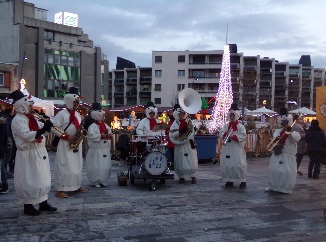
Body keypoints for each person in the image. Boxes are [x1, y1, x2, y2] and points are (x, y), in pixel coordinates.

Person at [9, 90, 57, 215]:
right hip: (28, 154)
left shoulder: (32, 117)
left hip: (39, 152)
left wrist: (47, 125)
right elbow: (26, 135)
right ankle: (28, 205)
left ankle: (43, 202)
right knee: (29, 179)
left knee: (42, 178)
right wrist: (42, 131)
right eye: (30, 105)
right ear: (22, 105)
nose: (32, 107)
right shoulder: (18, 120)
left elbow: (42, 130)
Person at [53, 87, 88, 198]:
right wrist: (66, 136)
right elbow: (54, 128)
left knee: (76, 165)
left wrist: (81, 133)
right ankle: (60, 189)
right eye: (75, 102)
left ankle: (75, 186)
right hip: (65, 143)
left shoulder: (77, 114)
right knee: (65, 166)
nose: (77, 104)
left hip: (76, 144)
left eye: (77, 102)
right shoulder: (61, 114)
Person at [265, 108, 300, 194]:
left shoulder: (293, 131)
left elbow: (296, 139)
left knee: (287, 172)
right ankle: (273, 186)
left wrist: (290, 132)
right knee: (274, 170)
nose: (284, 124)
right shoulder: (278, 130)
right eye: (283, 123)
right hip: (278, 154)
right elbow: (276, 139)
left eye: (286, 123)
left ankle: (286, 188)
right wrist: (282, 133)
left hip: (288, 155)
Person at [219, 104, 247, 188]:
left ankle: (242, 180)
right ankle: (230, 179)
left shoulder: (240, 126)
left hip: (236, 147)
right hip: (228, 147)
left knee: (239, 164)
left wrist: (233, 136)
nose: (231, 117)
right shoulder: (226, 125)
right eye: (230, 116)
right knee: (228, 164)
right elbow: (221, 133)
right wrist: (225, 134)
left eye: (233, 116)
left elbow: (243, 136)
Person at [169, 104, 198, 184]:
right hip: (179, 145)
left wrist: (187, 134)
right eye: (179, 114)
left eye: (182, 114)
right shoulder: (175, 123)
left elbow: (192, 132)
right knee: (180, 160)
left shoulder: (189, 121)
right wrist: (179, 132)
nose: (181, 115)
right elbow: (171, 135)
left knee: (191, 160)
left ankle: (193, 176)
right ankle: (181, 177)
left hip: (188, 144)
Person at [86, 103, 112, 187]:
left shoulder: (105, 125)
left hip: (104, 148)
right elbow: (92, 136)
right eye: (102, 115)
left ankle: (103, 179)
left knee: (104, 165)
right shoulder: (92, 126)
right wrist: (101, 136)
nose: (104, 117)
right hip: (96, 149)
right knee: (96, 165)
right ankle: (95, 180)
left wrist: (108, 135)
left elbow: (109, 132)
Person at [0, 107, 8, 194]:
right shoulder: (4, 119)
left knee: (1, 167)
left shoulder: (2, 120)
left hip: (1, 146)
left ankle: (4, 185)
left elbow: (4, 135)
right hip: (2, 145)